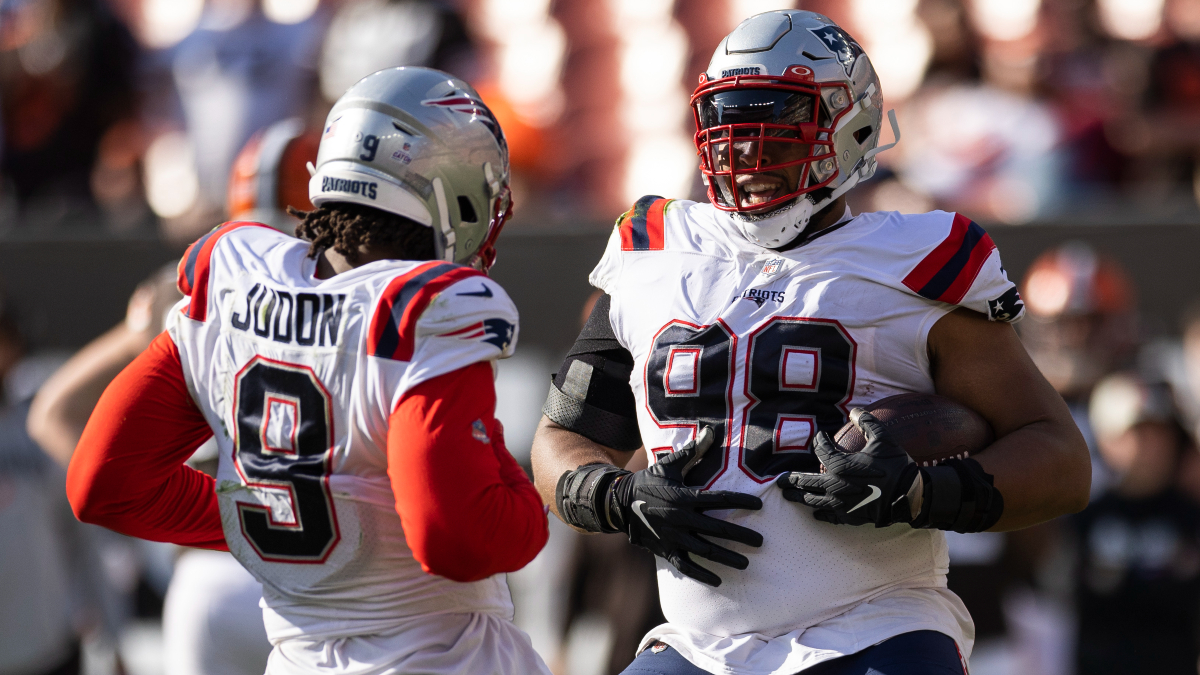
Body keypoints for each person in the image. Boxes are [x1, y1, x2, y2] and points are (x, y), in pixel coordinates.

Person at [530, 10, 1091, 675]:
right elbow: (558, 439)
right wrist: (615, 497)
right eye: (729, 127)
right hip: (696, 645)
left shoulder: (917, 262)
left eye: (775, 128)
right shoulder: (652, 248)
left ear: (851, 127)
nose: (745, 153)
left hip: (874, 628)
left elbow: (1059, 457)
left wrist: (921, 493)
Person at [65, 66, 551, 674]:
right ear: (450, 194)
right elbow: (459, 537)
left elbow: (103, 483)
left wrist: (274, 517)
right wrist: (530, 503)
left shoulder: (234, 274)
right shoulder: (429, 309)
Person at [1072, 372, 1200, 675]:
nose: (1153, 447)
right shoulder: (1084, 516)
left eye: (1163, 434)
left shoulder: (1191, 516)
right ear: (1107, 440)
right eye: (1140, 433)